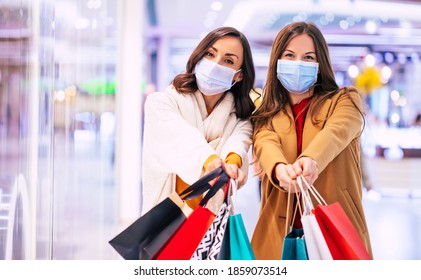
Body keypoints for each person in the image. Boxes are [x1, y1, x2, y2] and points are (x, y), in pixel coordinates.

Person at [250, 21, 373, 259]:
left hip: (335, 227)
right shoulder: (265, 114)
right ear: (277, 61)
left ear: (319, 65)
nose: (298, 63)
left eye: (308, 57)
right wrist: (279, 169)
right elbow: (265, 144)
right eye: (290, 55)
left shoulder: (344, 100)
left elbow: (337, 132)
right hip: (279, 232)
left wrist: (311, 159)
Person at [141, 26, 256, 215]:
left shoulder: (240, 118)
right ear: (199, 57)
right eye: (210, 54)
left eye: (228, 60)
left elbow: (239, 143)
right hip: (165, 222)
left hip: (212, 225)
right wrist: (209, 160)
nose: (215, 64)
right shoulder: (161, 102)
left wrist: (233, 165)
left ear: (239, 74)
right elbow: (179, 137)